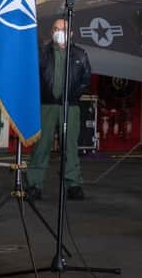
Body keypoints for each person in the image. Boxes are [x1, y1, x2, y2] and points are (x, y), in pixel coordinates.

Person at [26, 18, 91, 201]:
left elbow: (86, 79)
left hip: (70, 107)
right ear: (51, 32)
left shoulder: (80, 54)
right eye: (56, 28)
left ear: (70, 33)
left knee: (70, 147)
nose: (59, 31)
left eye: (63, 29)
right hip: (46, 106)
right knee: (41, 147)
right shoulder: (42, 53)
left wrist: (72, 95)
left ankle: (73, 184)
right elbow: (33, 77)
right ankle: (34, 184)